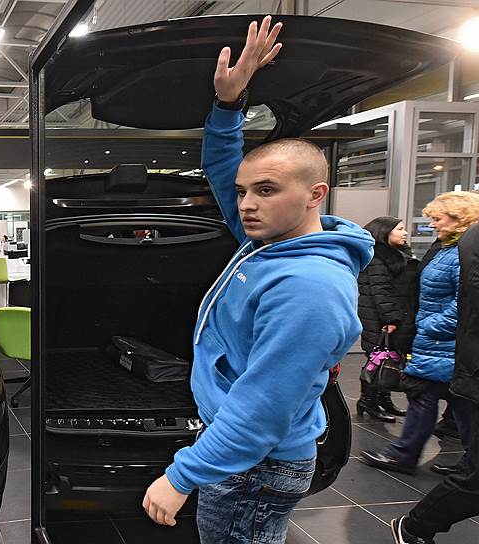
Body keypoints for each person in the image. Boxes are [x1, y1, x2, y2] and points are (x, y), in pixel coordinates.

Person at [141, 16, 374, 544]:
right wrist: (228, 104)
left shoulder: (309, 286)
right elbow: (224, 168)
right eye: (244, 192)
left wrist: (181, 476)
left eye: (266, 190)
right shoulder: (270, 242)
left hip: (257, 465)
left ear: (315, 195)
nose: (246, 203)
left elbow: (263, 408)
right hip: (251, 455)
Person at [361, 192, 479, 477]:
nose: (432, 224)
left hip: (444, 341)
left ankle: (409, 456)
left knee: (441, 398)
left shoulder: (462, 253)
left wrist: (429, 325)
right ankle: (464, 464)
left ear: (460, 219)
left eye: (438, 218)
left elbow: (464, 301)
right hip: (438, 343)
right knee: (446, 399)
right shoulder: (448, 248)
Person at [390, 216, 479, 544]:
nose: (434, 223)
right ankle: (415, 527)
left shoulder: (456, 248)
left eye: (441, 217)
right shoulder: (460, 246)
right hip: (450, 350)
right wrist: (426, 325)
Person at [356, 216, 418, 422]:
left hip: (394, 315)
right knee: (378, 358)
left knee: (390, 357)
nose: (405, 233)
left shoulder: (398, 253)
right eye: (399, 229)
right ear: (384, 232)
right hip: (381, 318)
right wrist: (390, 319)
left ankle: (384, 399)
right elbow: (380, 290)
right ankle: (368, 400)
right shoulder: (377, 257)